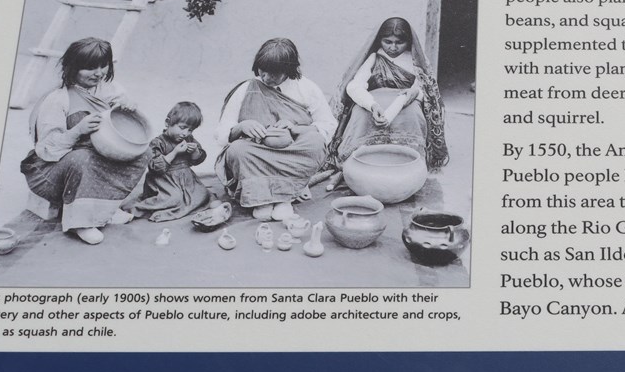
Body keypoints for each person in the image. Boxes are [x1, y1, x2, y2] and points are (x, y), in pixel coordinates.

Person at [19, 37, 148, 245]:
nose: (98, 73)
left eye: (102, 65)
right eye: (89, 68)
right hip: (52, 170)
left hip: (96, 158)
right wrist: (78, 130)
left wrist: (128, 105)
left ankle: (105, 210)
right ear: (73, 68)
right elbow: (47, 149)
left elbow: (123, 114)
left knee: (143, 152)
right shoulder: (58, 99)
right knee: (82, 158)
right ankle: (80, 222)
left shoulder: (109, 89)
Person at [320, 17, 449, 192]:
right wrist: (372, 105)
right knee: (359, 113)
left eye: (399, 42)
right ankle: (354, 162)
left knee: (413, 115)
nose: (393, 47)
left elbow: (425, 89)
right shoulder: (375, 57)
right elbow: (354, 86)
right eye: (387, 42)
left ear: (408, 42)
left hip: (405, 103)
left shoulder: (415, 60)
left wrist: (414, 93)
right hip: (373, 104)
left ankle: (410, 162)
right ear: (380, 40)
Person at [214, 38, 336, 221]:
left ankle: (284, 197)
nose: (265, 78)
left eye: (273, 74)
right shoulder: (247, 88)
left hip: (290, 150)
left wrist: (295, 129)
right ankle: (262, 198)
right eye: (262, 72)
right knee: (236, 150)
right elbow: (222, 133)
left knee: (316, 144)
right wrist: (241, 127)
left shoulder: (306, 88)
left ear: (288, 71)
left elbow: (328, 125)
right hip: (257, 151)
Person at [131, 101, 215, 223]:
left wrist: (195, 151)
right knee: (174, 198)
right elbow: (155, 167)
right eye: (182, 127)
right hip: (163, 181)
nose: (185, 133)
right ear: (168, 123)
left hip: (186, 179)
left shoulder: (189, 139)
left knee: (202, 193)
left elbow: (198, 160)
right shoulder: (157, 142)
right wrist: (174, 152)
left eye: (190, 130)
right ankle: (140, 209)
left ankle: (188, 202)